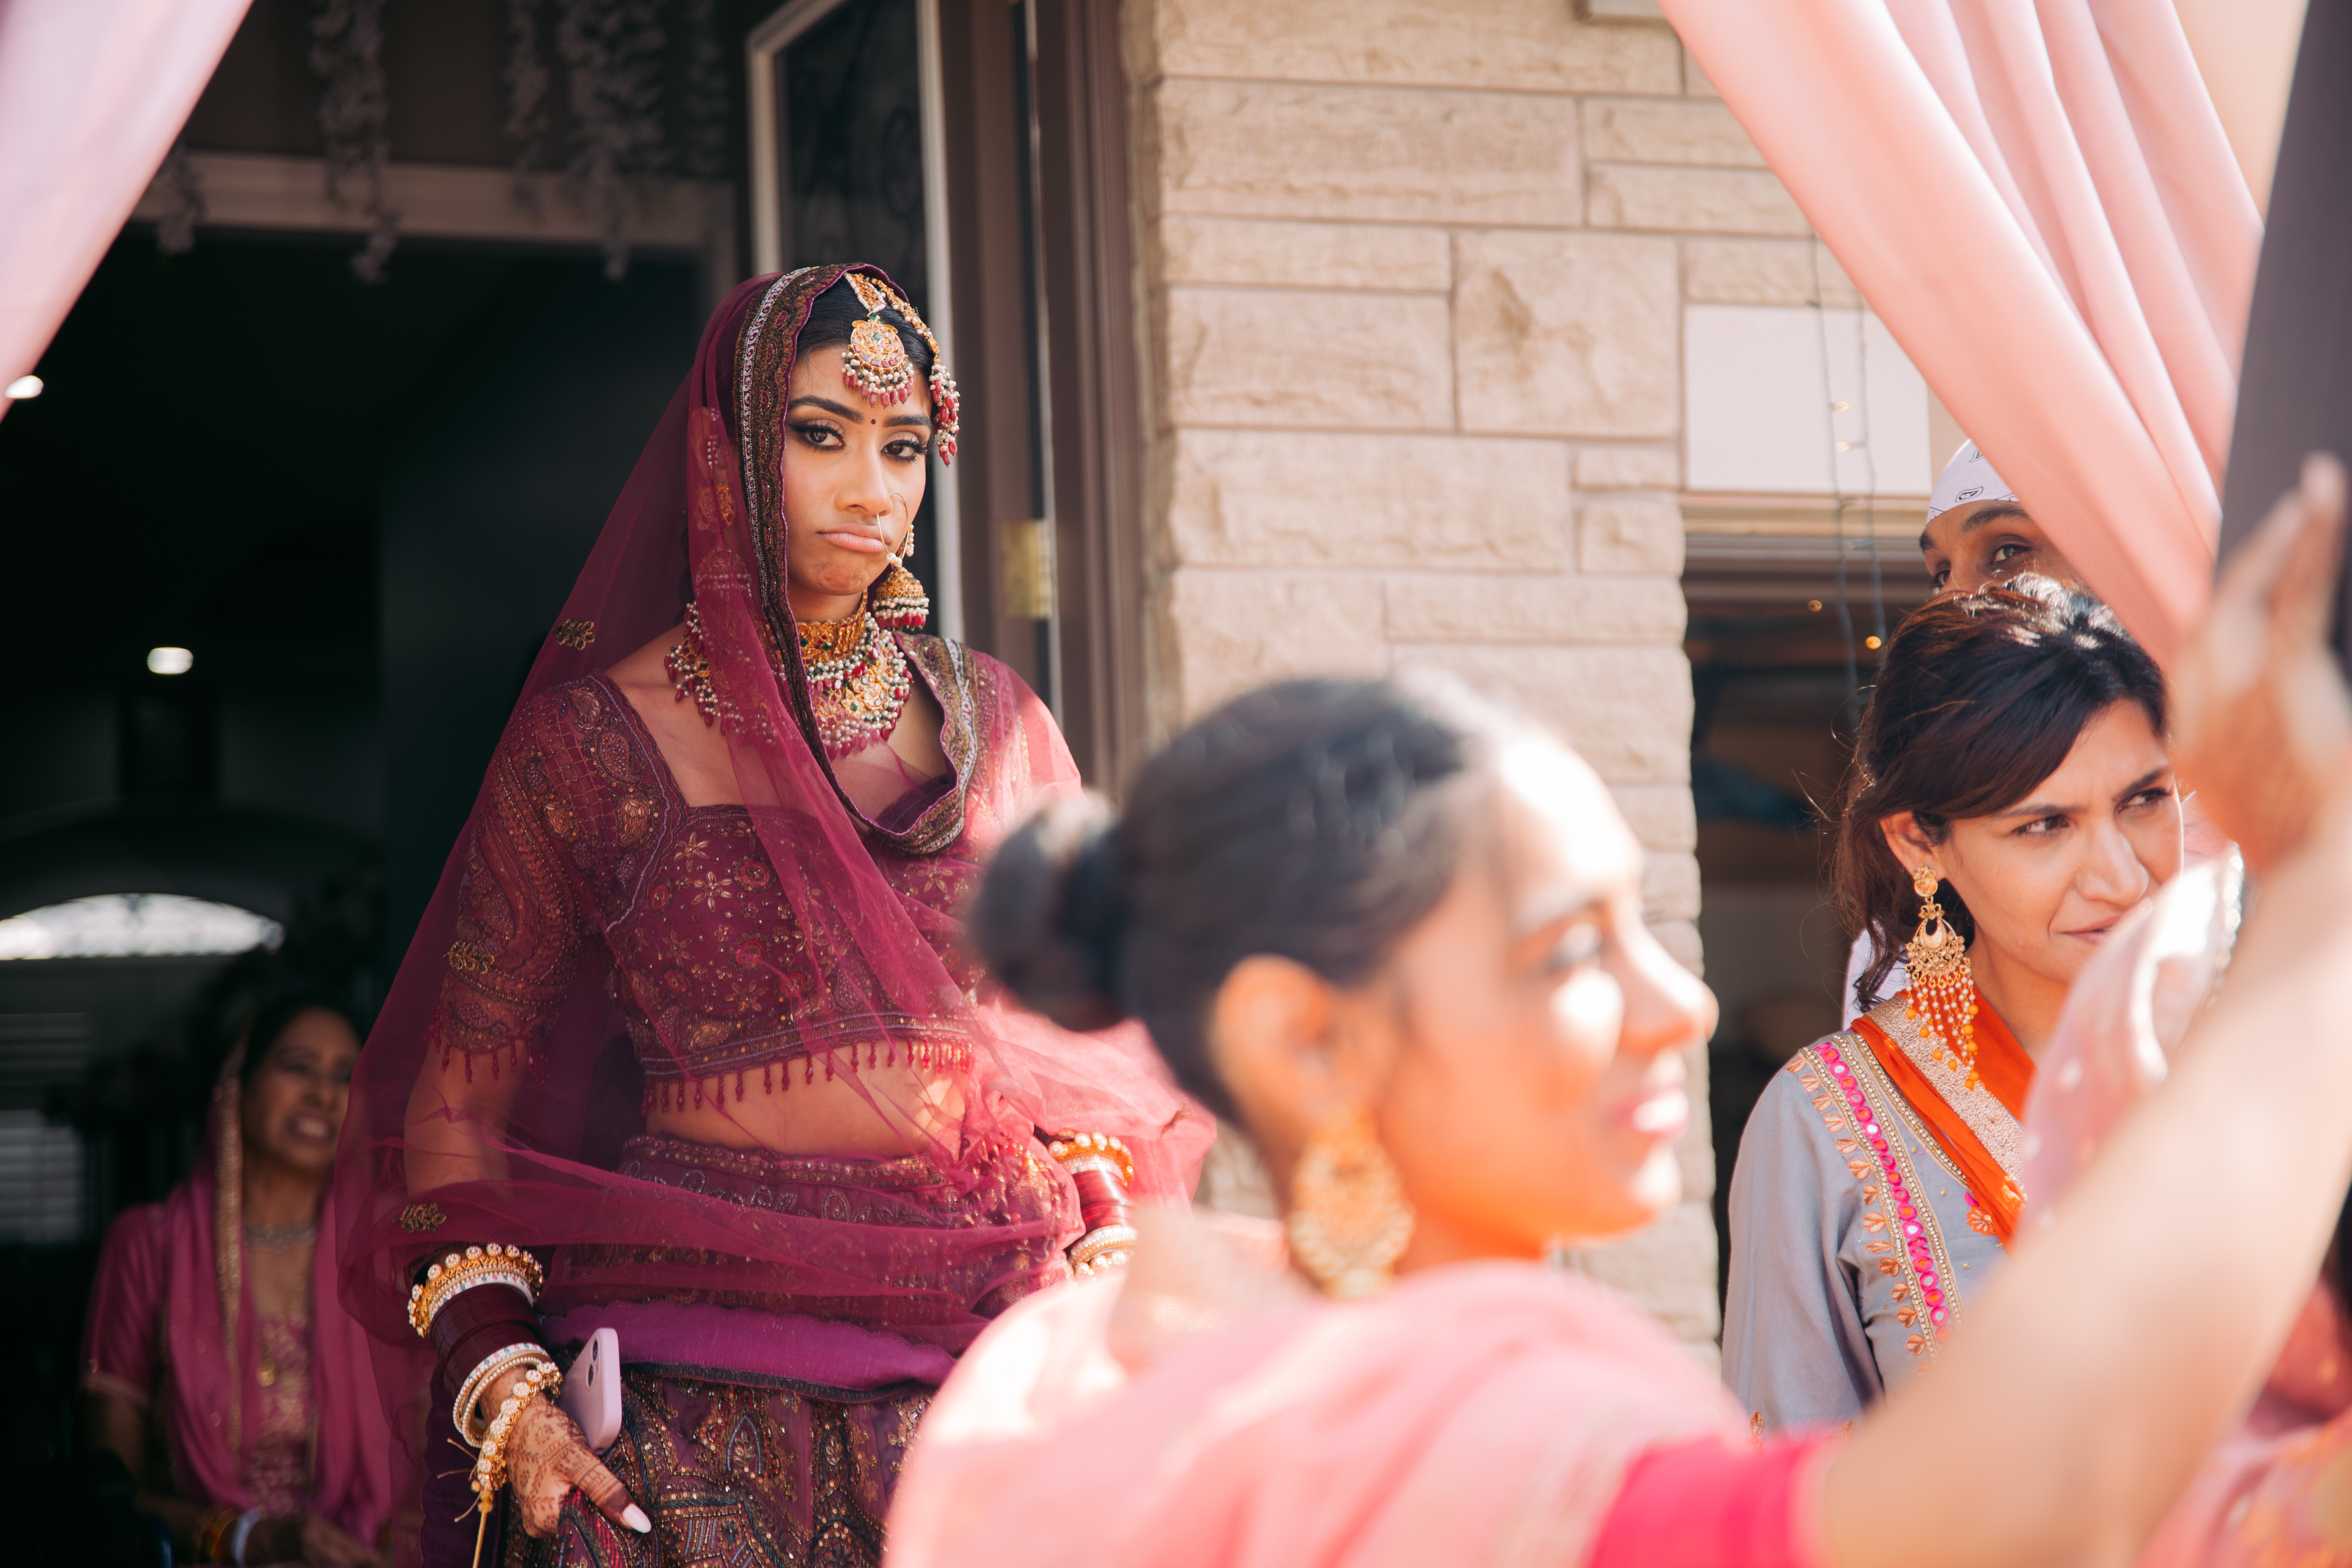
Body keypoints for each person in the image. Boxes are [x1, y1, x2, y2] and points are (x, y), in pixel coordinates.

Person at [882, 454, 2352, 1568]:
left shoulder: (1132, 1378)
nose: (1684, 1003)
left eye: (1641, 927)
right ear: (1306, 1041)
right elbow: (2034, 1498)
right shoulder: (1470, 1433)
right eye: (1569, 952)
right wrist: (2321, 886)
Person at [336, 265, 1208, 1568]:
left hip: (984, 1348)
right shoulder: (589, 748)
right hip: (690, 1383)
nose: (872, 489)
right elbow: (456, 1107)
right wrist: (508, 1383)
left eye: (902, 447)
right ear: (731, 448)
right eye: (821, 435)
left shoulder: (1001, 724)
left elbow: (1079, 1070)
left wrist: (1117, 1289)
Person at [1724, 578, 2182, 1430]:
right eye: (2044, 826)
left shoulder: (2277, 1050)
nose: (2123, 879)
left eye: (2145, 800)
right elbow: (1790, 1482)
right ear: (1918, 842)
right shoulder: (1825, 1127)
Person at [83, 990, 392, 1567]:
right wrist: (253, 1539)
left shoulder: (380, 1258)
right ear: (237, 1089)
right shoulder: (149, 1246)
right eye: (298, 1067)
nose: (323, 1095)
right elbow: (111, 1494)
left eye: (345, 1077)